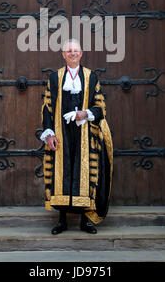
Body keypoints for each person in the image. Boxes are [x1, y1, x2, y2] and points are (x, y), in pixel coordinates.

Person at [40, 39, 113, 235]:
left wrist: (85, 114)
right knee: (61, 174)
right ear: (63, 55)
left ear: (81, 54)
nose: (72, 54)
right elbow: (47, 108)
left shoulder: (92, 77)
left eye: (75, 51)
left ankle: (85, 221)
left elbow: (101, 107)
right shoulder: (54, 78)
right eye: (68, 51)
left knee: (86, 175)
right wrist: (48, 134)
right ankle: (62, 220)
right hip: (60, 133)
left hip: (85, 134)